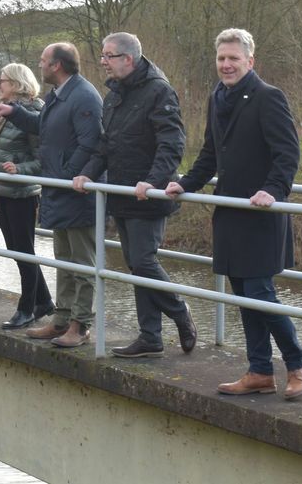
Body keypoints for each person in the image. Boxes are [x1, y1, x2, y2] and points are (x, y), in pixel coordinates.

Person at [164, 28, 302, 400]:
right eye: (221, 59)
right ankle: (260, 370)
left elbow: (287, 154)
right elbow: (211, 153)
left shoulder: (268, 97)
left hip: (260, 213)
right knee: (243, 293)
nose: (226, 65)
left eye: (233, 58)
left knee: (261, 292)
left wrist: (273, 191)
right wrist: (187, 183)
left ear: (250, 61)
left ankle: (297, 365)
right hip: (230, 213)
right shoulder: (217, 97)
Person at [73, 32, 197, 358]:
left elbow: (172, 144)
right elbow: (106, 144)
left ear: (128, 59)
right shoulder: (114, 95)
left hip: (147, 194)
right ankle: (151, 337)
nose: (102, 61)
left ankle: (180, 312)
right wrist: (88, 172)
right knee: (136, 265)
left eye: (108, 56)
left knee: (143, 261)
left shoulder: (159, 91)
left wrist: (153, 182)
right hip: (122, 192)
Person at [0, 43, 102, 347]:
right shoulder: (59, 95)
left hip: (76, 192)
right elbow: (43, 126)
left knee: (82, 264)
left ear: (56, 66)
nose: (39, 65)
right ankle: (62, 320)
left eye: (43, 61)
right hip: (59, 191)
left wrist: (66, 177)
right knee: (64, 261)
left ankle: (80, 326)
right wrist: (13, 112)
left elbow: (91, 144)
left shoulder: (83, 96)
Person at [0, 63, 54, 329]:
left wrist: (20, 169)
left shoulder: (33, 113)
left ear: (17, 84)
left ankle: (26, 308)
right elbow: (0, 153)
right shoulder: (3, 114)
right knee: (17, 251)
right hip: (3, 190)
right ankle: (44, 301)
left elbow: (43, 160)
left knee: (24, 251)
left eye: (3, 81)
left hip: (23, 193)